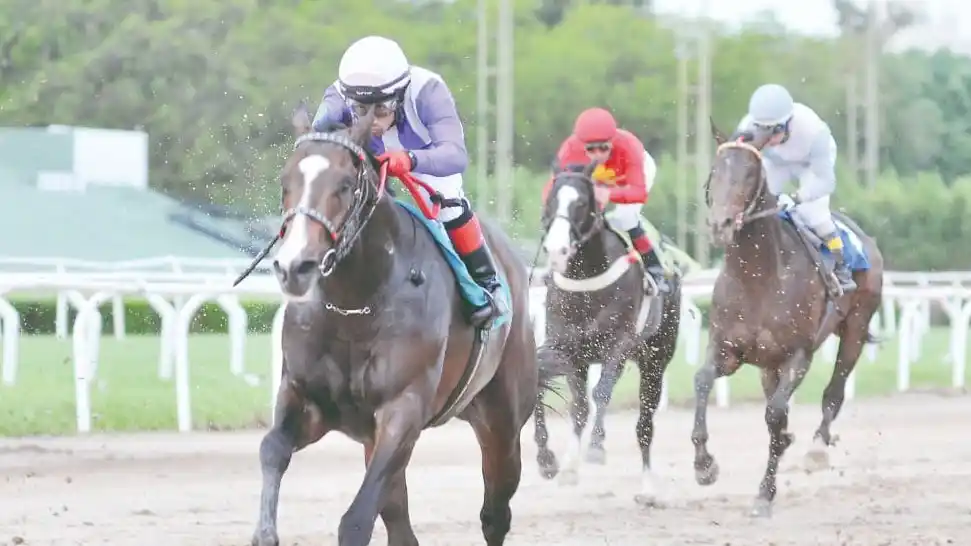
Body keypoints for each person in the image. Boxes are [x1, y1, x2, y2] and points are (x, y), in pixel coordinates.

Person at [311, 35, 505, 328]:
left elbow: (455, 155)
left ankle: (487, 284)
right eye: (361, 111)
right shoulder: (336, 97)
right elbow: (316, 146)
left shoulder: (428, 91)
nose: (372, 121)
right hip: (369, 159)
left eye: (382, 110)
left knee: (448, 204)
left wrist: (411, 160)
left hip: (425, 158)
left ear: (400, 96)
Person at [735, 83, 856, 292]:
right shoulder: (747, 126)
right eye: (762, 132)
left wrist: (797, 197)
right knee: (760, 206)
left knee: (815, 216)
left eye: (774, 131)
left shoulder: (814, 131)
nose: (768, 139)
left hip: (812, 165)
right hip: (777, 162)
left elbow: (826, 181)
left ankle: (841, 266)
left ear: (788, 123)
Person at [543, 107, 670, 294]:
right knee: (573, 216)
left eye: (604, 147)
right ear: (581, 145)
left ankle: (655, 269)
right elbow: (553, 189)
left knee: (626, 218)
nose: (597, 154)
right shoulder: (570, 150)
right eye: (591, 149)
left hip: (628, 176)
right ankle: (555, 263)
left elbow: (638, 192)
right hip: (594, 180)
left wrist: (610, 194)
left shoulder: (629, 146)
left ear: (613, 141)